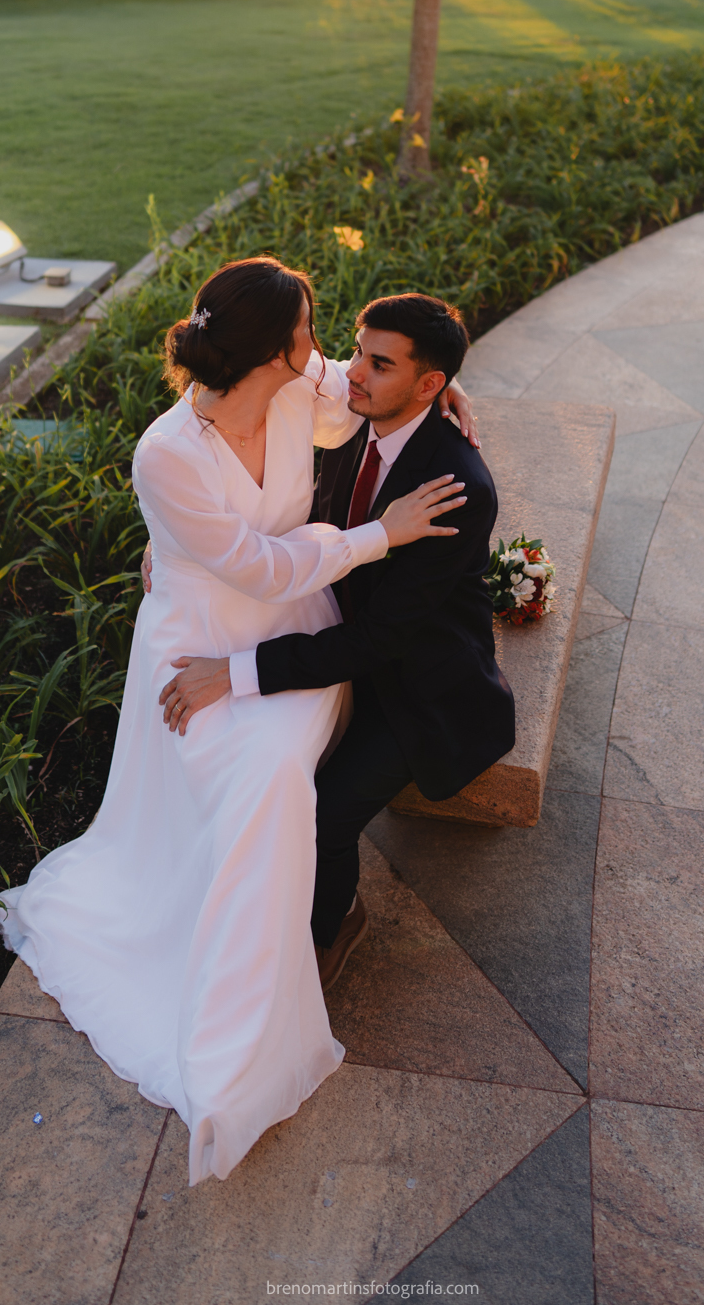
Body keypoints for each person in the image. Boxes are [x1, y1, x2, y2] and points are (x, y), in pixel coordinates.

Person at [0, 257, 472, 1187]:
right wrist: (382, 533)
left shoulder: (302, 388)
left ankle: (263, 991)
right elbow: (257, 567)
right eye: (308, 333)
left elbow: (371, 392)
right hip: (199, 647)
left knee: (271, 778)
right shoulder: (166, 454)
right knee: (233, 776)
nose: (323, 351)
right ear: (272, 350)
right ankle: (216, 983)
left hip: (294, 637)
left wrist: (443, 391)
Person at [158, 292, 515, 993]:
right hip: (329, 630)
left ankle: (334, 925)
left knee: (321, 809)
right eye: (355, 351)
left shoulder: (456, 488)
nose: (351, 372)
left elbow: (379, 640)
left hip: (414, 684)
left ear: (429, 385)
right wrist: (170, 536)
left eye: (379, 364)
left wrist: (235, 671)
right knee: (243, 767)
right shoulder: (354, 420)